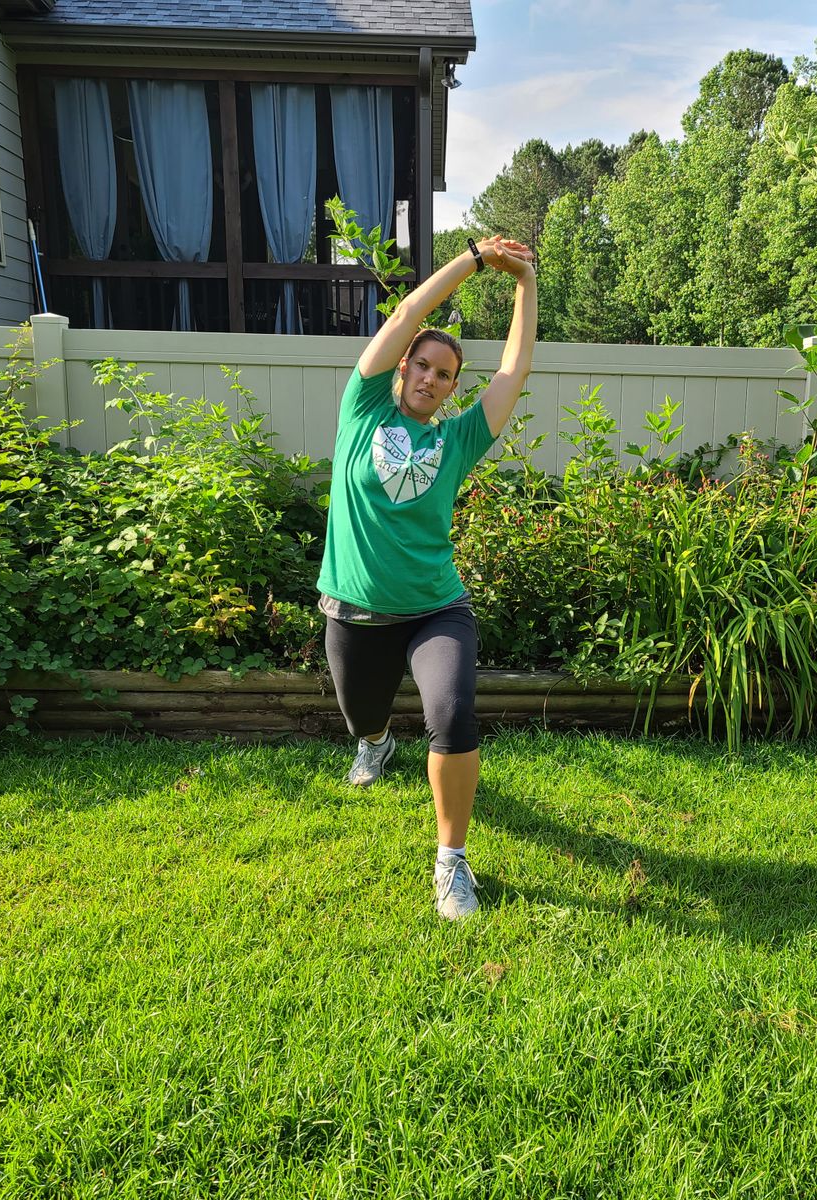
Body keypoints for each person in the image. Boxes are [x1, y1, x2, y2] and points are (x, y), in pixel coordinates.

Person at [317, 235, 537, 920]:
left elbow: (512, 375)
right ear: (402, 366)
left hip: (435, 609)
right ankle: (377, 743)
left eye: (445, 375)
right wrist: (473, 260)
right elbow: (409, 311)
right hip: (354, 610)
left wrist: (526, 283)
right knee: (363, 714)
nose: (431, 378)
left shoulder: (458, 439)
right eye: (423, 364)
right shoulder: (362, 410)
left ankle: (452, 862)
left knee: (451, 713)